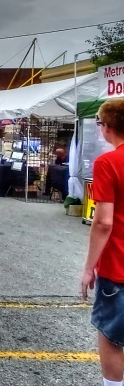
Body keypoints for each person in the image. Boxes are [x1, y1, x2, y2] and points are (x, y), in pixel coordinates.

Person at [81, 98, 124, 386]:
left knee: (111, 336)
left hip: (118, 265)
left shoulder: (107, 162)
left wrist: (88, 268)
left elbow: (104, 221)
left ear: (106, 127)